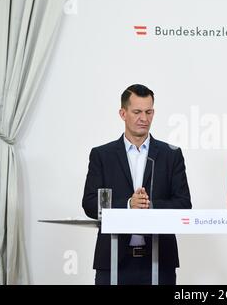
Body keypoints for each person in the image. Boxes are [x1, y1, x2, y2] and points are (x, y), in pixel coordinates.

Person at [82, 84, 192, 285]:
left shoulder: (171, 155)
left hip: (160, 261)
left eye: (149, 112)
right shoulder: (101, 155)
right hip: (113, 261)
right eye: (137, 112)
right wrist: (127, 205)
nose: (144, 118)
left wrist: (149, 206)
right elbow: (89, 204)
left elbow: (184, 204)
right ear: (122, 113)